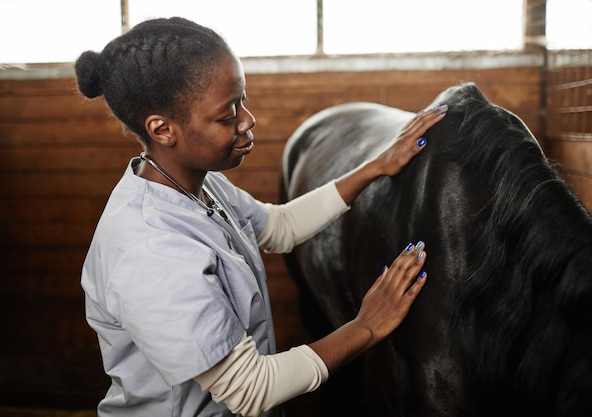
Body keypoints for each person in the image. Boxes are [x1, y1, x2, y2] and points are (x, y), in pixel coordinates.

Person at [76, 17, 447, 417]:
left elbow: (279, 227)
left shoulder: (193, 184)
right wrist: (367, 326)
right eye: (227, 115)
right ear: (163, 129)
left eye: (242, 100)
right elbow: (251, 388)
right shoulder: (150, 249)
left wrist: (376, 166)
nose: (247, 120)